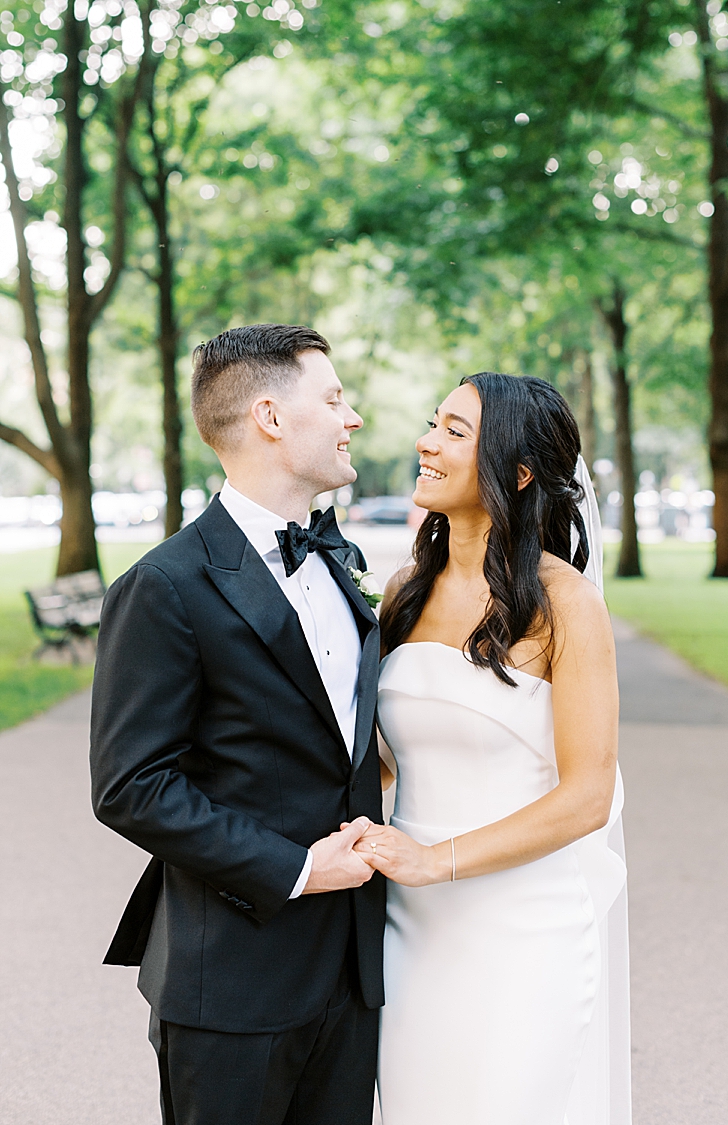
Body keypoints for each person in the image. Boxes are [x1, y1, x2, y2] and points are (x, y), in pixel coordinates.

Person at [90, 324, 386, 1124]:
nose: (351, 416)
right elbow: (131, 787)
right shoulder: (164, 585)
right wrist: (297, 868)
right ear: (269, 416)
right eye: (332, 398)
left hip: (354, 973)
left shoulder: (337, 561)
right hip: (232, 982)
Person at [360, 372, 631, 1123]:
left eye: (454, 430)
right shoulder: (403, 590)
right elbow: (388, 754)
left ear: (515, 471)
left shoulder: (564, 603)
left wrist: (434, 860)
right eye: (432, 422)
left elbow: (587, 796)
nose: (426, 441)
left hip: (522, 928)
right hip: (411, 931)